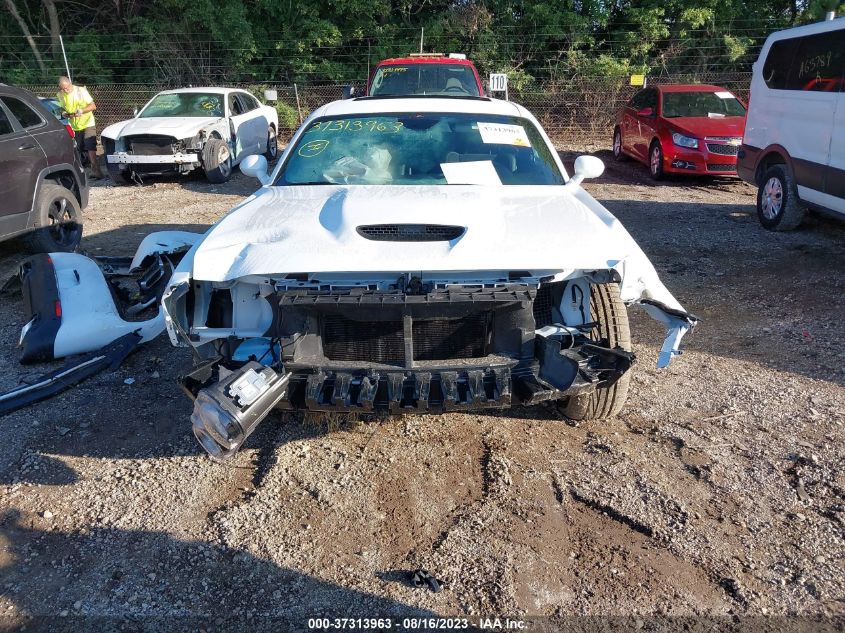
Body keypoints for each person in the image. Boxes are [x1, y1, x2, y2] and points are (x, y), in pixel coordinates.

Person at [56, 76, 104, 179]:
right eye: (63, 89)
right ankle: (90, 170)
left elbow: (93, 106)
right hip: (75, 125)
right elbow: (62, 108)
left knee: (90, 146)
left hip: (88, 122)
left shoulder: (81, 91)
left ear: (70, 83)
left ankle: (96, 170)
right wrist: (64, 113)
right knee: (81, 148)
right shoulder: (60, 95)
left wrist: (82, 111)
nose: (66, 90)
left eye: (67, 88)